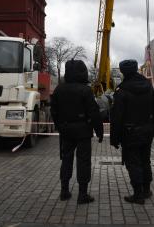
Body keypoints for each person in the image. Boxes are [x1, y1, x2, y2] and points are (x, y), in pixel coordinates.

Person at [51, 59, 104, 204]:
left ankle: (64, 191)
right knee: (83, 162)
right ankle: (82, 194)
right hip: (83, 131)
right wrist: (99, 132)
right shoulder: (85, 90)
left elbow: (53, 111)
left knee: (66, 159)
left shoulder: (59, 89)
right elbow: (94, 112)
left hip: (66, 130)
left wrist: (60, 126)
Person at [110, 59, 154, 205]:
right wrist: (153, 129)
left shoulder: (122, 91)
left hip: (130, 133)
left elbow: (117, 117)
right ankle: (146, 190)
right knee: (145, 160)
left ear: (123, 71)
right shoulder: (148, 86)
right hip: (146, 131)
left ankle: (138, 195)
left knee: (133, 163)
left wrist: (114, 139)